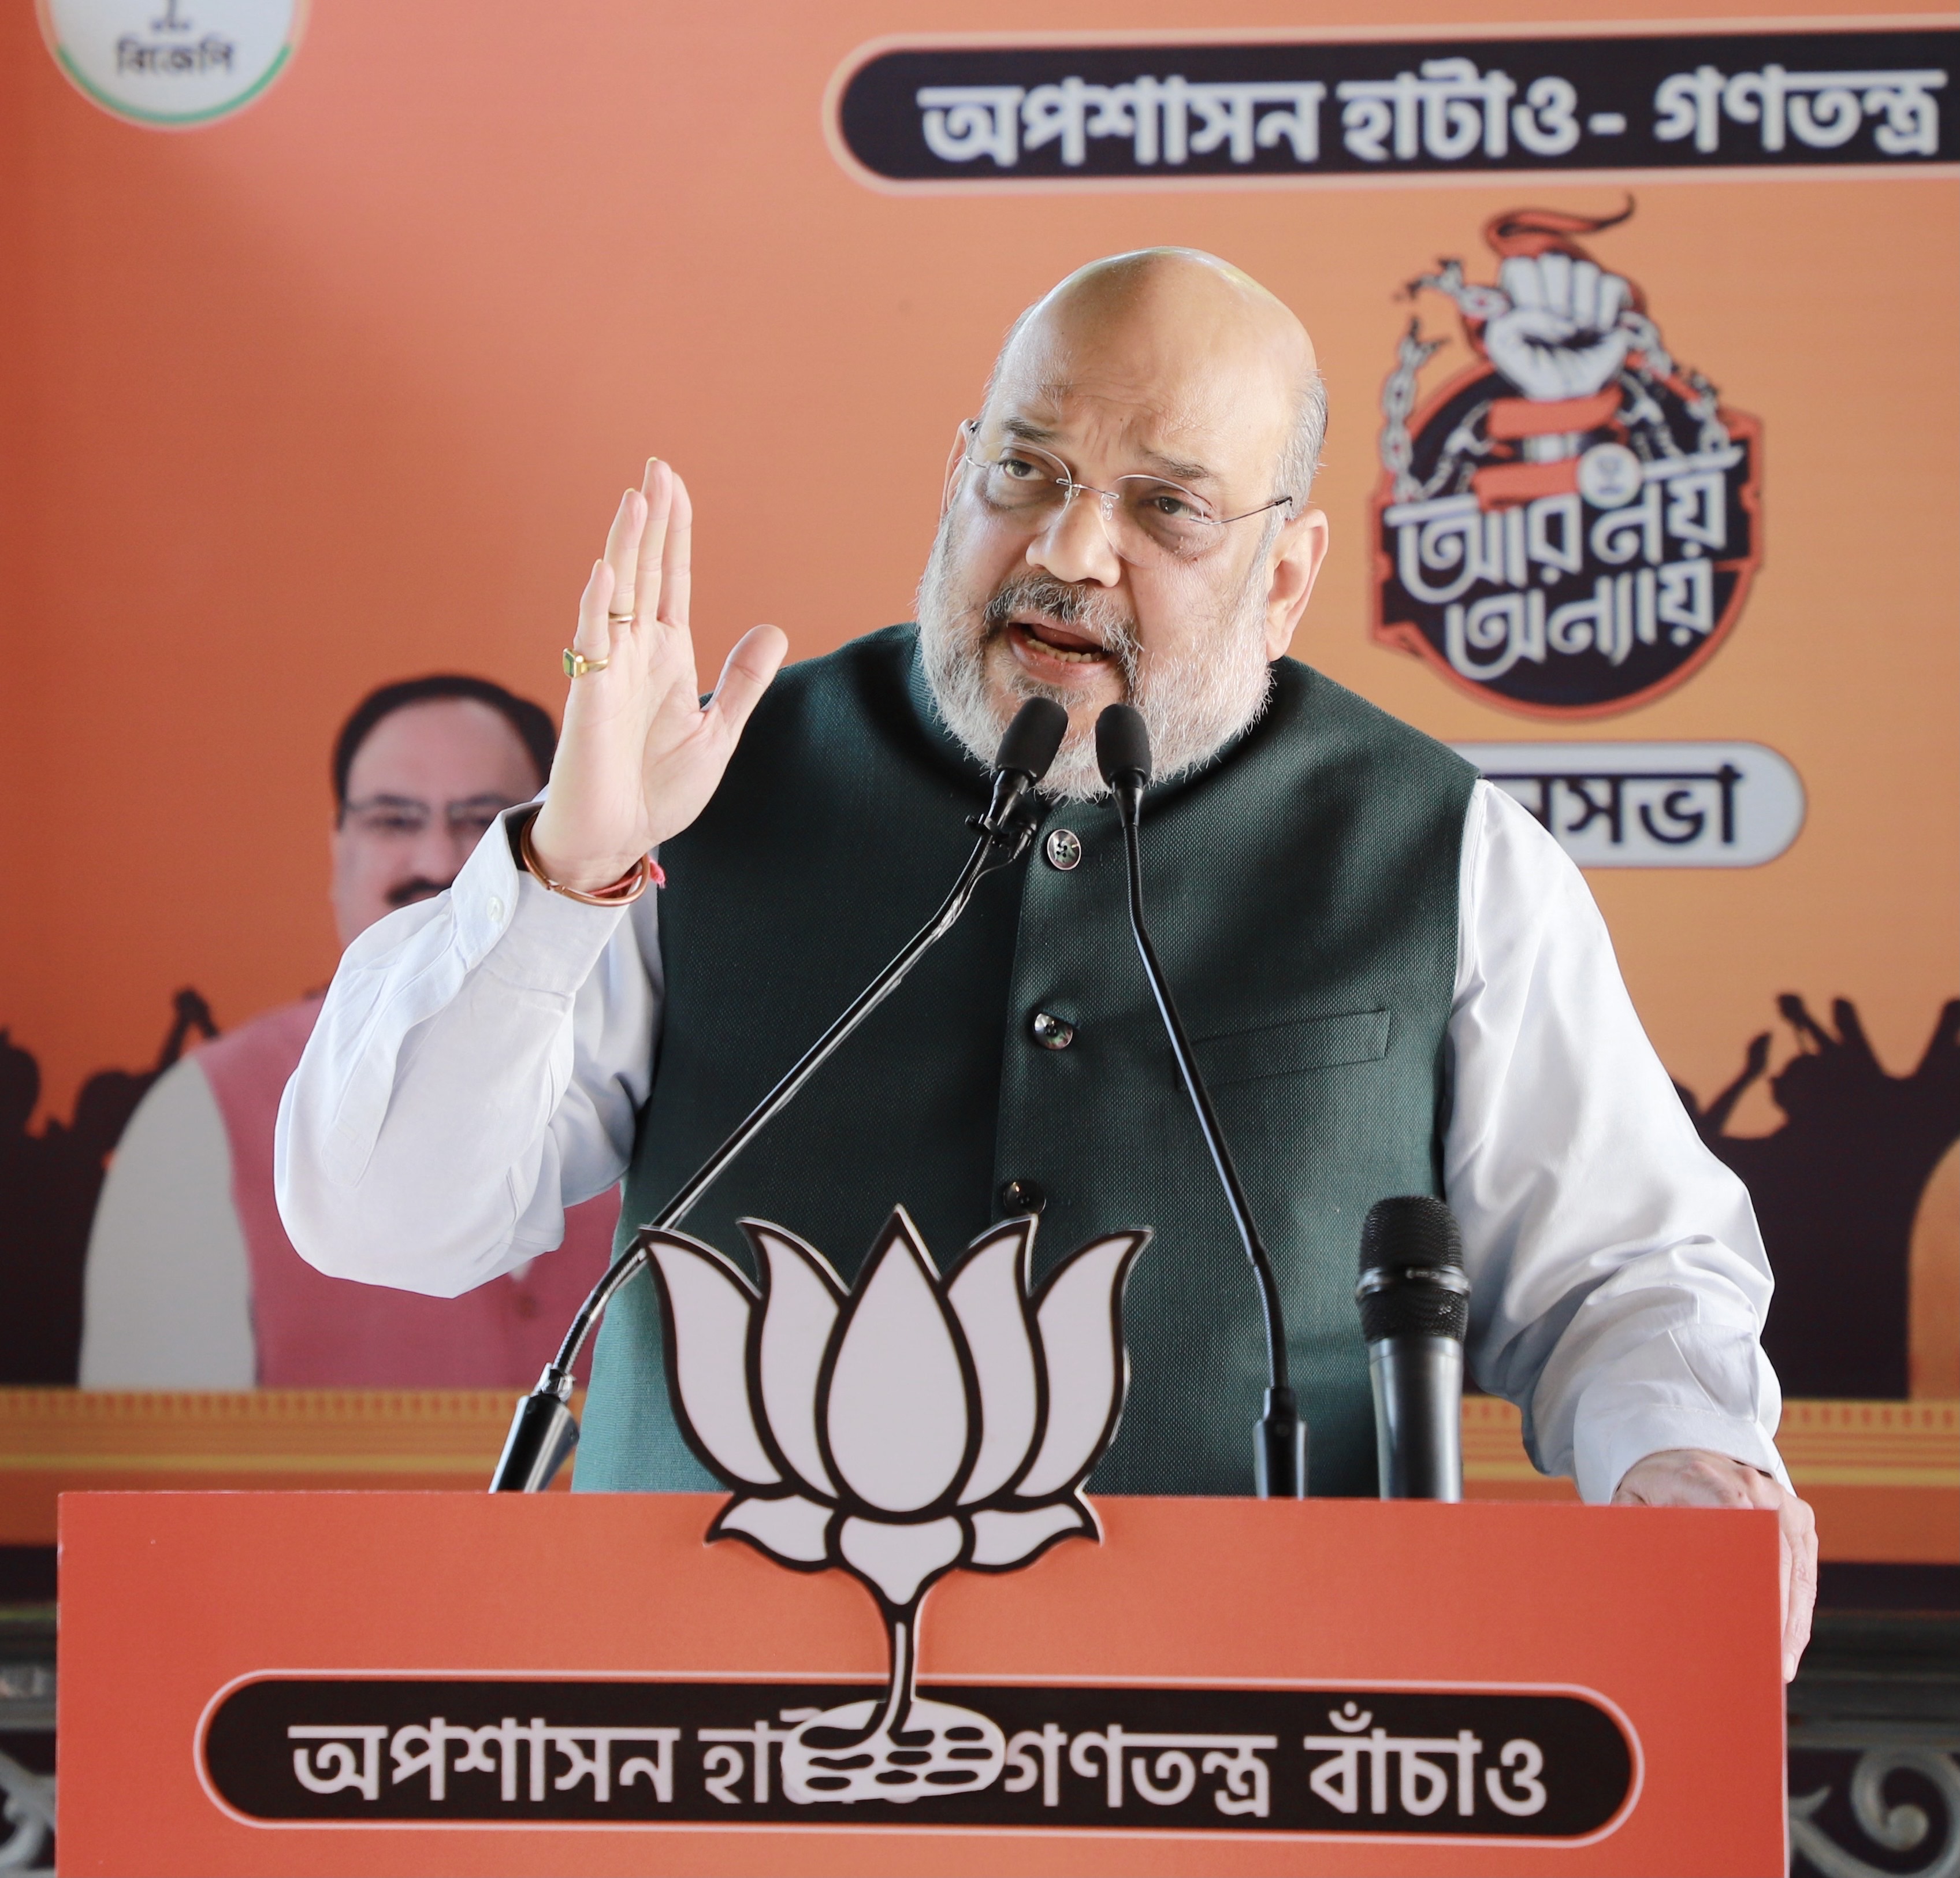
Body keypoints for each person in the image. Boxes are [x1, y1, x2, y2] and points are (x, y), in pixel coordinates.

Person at [277, 251, 1817, 1676]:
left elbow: (1622, 1278)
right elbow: (382, 1217)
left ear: (1284, 572)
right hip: (703, 1750)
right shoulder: (707, 797)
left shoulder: (1451, 857)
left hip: (1262, 1761)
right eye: (1027, 471)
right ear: (956, 477)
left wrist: (1688, 1455)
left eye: (1168, 506)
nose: (1071, 551)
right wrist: (562, 873)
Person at [81, 676, 618, 1387]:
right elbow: (152, 1469)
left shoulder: (646, 1075)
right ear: (338, 849)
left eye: (485, 821)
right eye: (394, 820)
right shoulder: (201, 1114)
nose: (434, 860)